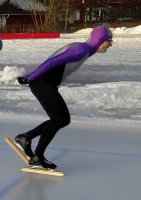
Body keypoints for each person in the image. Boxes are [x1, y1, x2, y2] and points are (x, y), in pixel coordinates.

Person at [13, 25, 113, 169]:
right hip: (41, 82)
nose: (110, 44)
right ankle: (37, 155)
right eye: (109, 41)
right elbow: (52, 62)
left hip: (46, 84)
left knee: (62, 119)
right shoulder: (81, 50)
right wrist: (30, 77)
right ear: (100, 40)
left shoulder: (86, 50)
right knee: (60, 119)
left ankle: (26, 138)